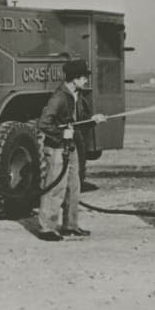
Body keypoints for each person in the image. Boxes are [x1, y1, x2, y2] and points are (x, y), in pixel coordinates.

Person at [36, 58, 107, 241]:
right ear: (74, 78)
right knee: (55, 186)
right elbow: (43, 123)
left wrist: (93, 119)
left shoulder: (78, 95)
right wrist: (62, 135)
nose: (86, 80)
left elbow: (80, 120)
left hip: (71, 146)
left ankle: (70, 226)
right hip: (57, 148)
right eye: (83, 77)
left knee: (73, 186)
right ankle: (47, 228)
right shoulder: (59, 97)